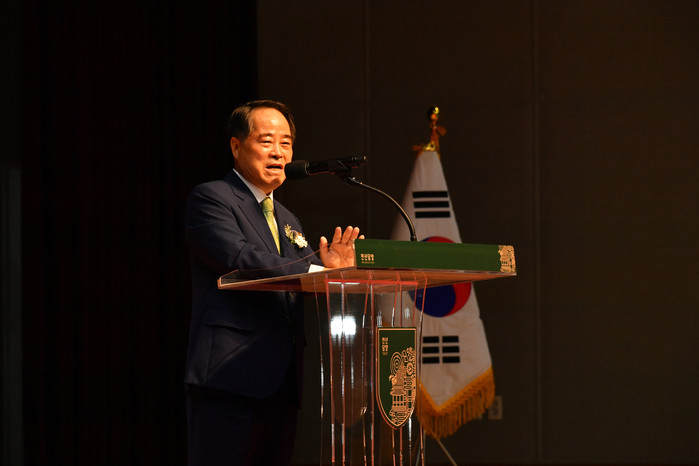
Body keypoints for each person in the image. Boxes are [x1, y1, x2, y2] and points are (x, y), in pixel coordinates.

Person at [184, 100, 362, 466]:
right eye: (266, 141)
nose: (278, 152)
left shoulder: (286, 216)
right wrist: (315, 271)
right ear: (236, 146)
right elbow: (239, 258)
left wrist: (330, 269)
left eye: (286, 143)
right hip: (230, 373)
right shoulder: (212, 198)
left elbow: (301, 271)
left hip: (282, 380)